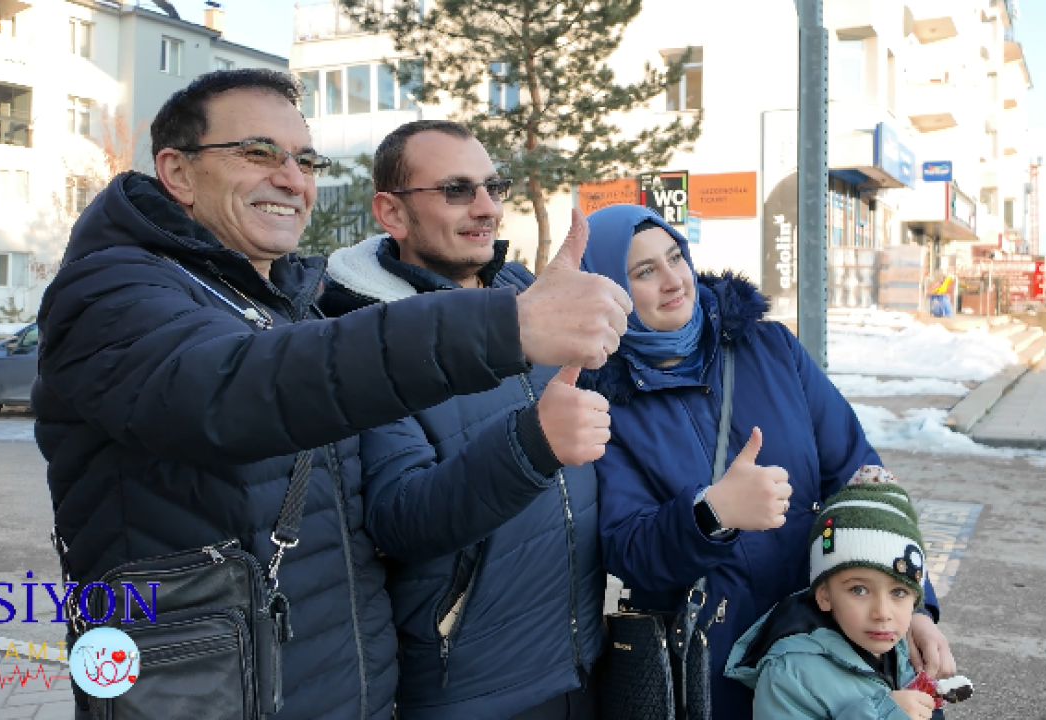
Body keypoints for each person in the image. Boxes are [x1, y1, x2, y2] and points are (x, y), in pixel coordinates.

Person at [32, 69, 630, 720]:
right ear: (177, 172)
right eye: (259, 153)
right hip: (203, 694)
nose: (293, 179)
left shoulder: (289, 309)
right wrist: (505, 331)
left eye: (306, 160)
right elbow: (232, 387)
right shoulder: (111, 290)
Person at [576, 204, 955, 719]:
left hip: (829, 640)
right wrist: (710, 514)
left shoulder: (769, 348)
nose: (672, 280)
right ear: (608, 289)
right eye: (644, 271)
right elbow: (628, 548)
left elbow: (860, 477)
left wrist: (910, 604)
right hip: (713, 661)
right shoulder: (603, 402)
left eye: (674, 257)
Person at [318, 120, 604, 720]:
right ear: (391, 213)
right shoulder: (362, 337)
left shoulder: (526, 297)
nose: (486, 209)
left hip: (579, 663)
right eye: (456, 190)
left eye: (493, 187)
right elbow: (399, 517)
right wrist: (532, 444)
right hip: (472, 690)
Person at [724, 481, 939, 720]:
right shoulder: (790, 674)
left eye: (899, 592)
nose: (882, 613)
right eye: (859, 590)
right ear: (825, 596)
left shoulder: (898, 647)